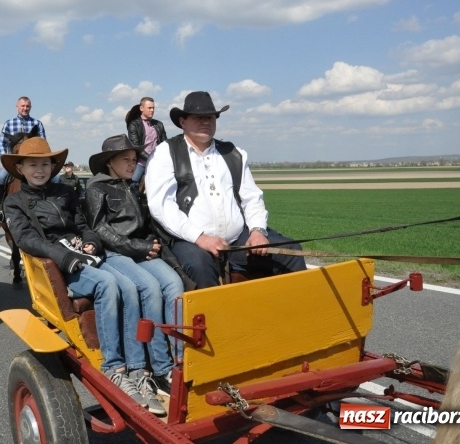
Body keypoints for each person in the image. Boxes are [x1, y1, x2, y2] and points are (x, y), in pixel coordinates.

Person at [1, 137, 164, 414]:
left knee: (130, 285)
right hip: (61, 264)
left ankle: (138, 369)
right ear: (20, 167)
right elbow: (26, 239)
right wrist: (64, 257)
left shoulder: (64, 191)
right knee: (109, 284)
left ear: (53, 167)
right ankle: (114, 366)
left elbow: (82, 224)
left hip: (84, 254)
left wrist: (91, 241)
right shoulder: (15, 202)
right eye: (33, 165)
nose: (39, 170)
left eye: (44, 164)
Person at [145, 91, 306, 289]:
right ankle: (213, 320)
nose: (205, 122)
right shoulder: (165, 153)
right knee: (200, 266)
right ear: (183, 121)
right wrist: (200, 238)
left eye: (210, 117)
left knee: (290, 252)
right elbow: (162, 206)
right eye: (198, 117)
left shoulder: (233, 153)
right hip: (189, 241)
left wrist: (256, 231)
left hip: (238, 238)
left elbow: (251, 197)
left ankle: (297, 315)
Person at [86, 134, 184, 411]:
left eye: (134, 160)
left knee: (174, 286)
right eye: (125, 160)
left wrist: (153, 245)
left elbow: (144, 224)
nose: (132, 164)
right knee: (149, 289)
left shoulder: (130, 186)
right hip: (116, 253)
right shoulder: (97, 188)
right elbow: (99, 228)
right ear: (109, 162)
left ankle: (179, 361)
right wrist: (136, 247)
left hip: (140, 250)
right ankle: (156, 365)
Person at [0, 96, 46, 206]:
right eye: (23, 106)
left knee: (56, 179)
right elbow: (1, 143)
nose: (25, 108)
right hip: (13, 163)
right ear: (17, 107)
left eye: (27, 106)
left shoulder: (38, 124)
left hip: (34, 162)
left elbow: (43, 144)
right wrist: (5, 161)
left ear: (30, 107)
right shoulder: (9, 123)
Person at [126, 97, 167, 187]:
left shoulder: (159, 124)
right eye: (149, 108)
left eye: (153, 108)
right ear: (141, 108)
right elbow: (136, 147)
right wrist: (150, 158)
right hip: (141, 163)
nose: (152, 110)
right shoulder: (134, 125)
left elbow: (165, 144)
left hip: (157, 162)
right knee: (132, 184)